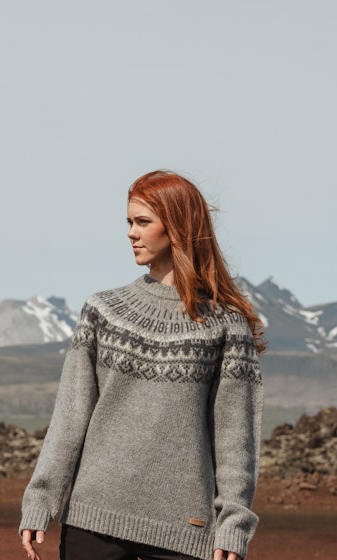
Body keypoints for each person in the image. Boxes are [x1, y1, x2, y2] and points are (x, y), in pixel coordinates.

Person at [19, 170, 267, 560]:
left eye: (143, 222)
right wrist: (41, 498)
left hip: (185, 530)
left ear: (178, 226)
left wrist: (233, 525)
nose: (131, 233)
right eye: (129, 222)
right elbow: (70, 416)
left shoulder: (226, 325)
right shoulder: (103, 311)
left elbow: (236, 438)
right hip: (93, 519)